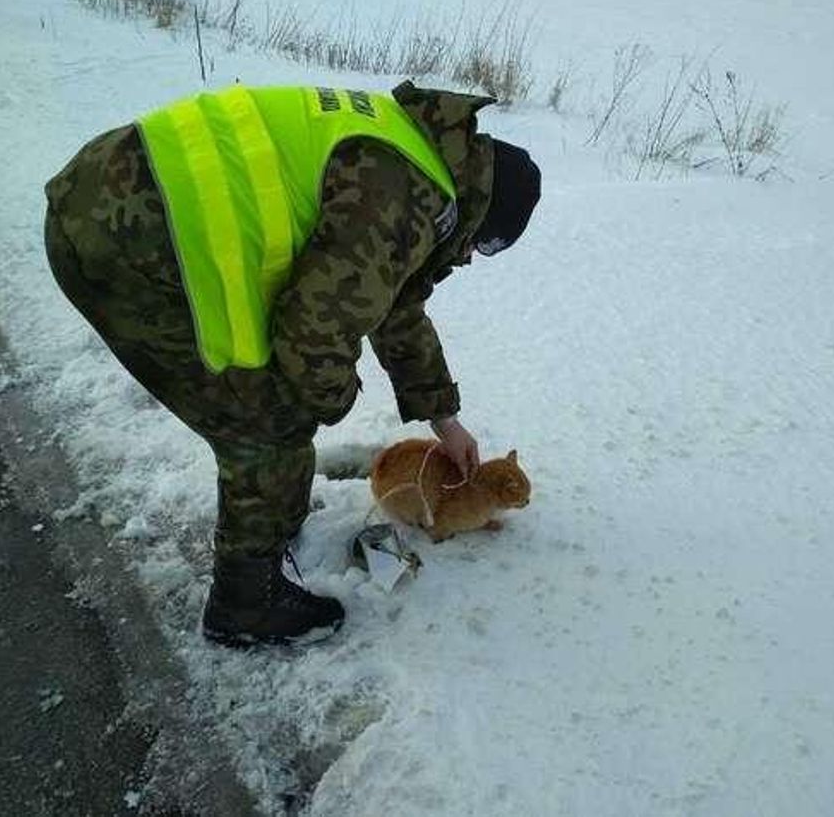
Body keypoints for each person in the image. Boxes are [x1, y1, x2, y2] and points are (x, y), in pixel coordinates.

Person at [43, 81, 541, 647]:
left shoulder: (413, 149)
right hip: (130, 244)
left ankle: (270, 524)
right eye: (488, 246)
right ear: (482, 213)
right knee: (271, 419)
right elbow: (314, 331)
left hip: (111, 193)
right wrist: (333, 398)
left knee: (281, 401)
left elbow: (394, 305)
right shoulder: (404, 199)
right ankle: (246, 604)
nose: (474, 259)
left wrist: (443, 417)